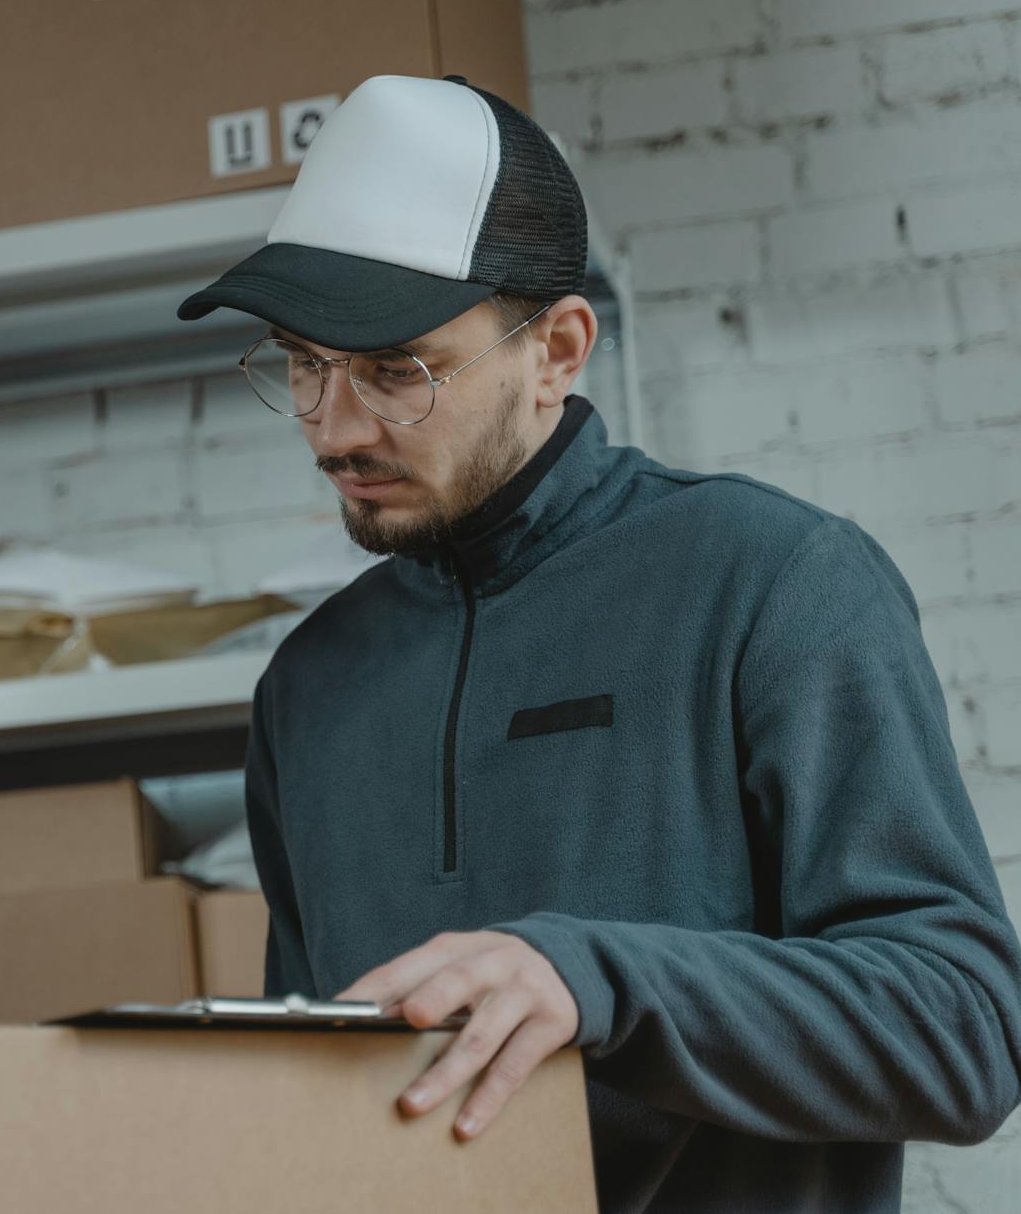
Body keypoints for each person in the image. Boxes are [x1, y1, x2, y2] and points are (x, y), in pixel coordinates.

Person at [178, 74, 1021, 1212]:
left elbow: (962, 1029)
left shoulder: (773, 580)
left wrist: (598, 976)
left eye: (394, 371)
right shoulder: (307, 685)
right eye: (300, 361)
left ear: (557, 351)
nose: (332, 425)